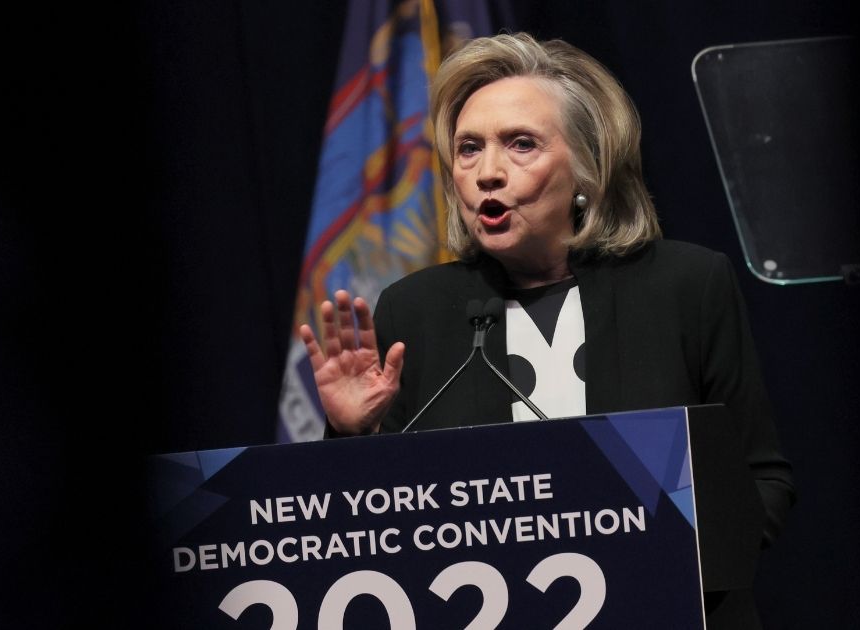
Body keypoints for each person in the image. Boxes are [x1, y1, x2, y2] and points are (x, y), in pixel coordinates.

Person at [299, 32, 794, 625]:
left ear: (587, 168)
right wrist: (351, 434)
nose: (488, 172)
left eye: (521, 144)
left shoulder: (684, 287)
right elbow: (379, 528)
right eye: (468, 149)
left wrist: (672, 568)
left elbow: (761, 479)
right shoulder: (417, 311)